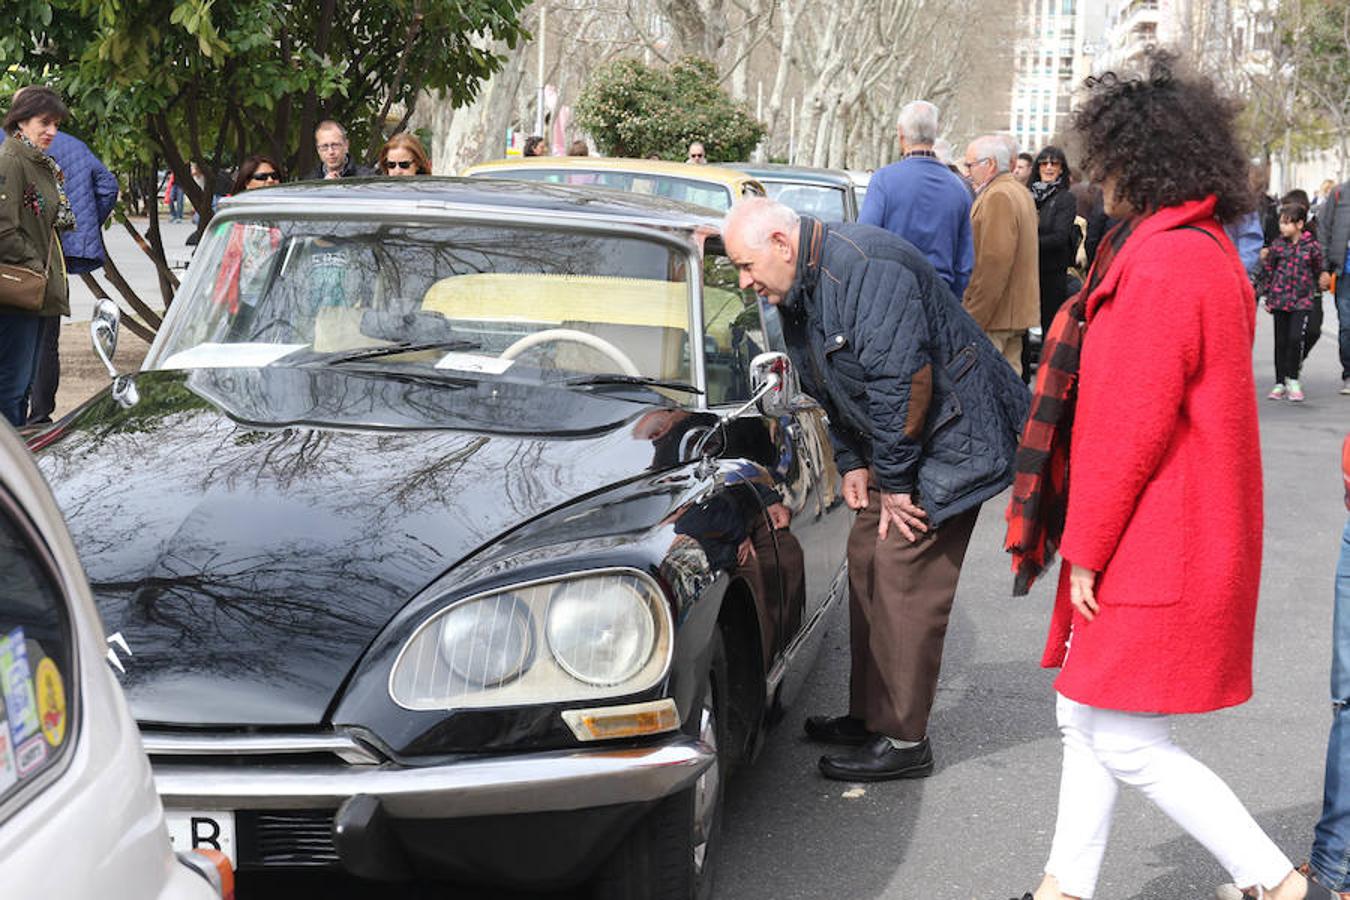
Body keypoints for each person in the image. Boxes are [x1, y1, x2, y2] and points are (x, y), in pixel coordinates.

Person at [1004, 50, 1328, 900]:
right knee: (1086, 714)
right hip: (1176, 527)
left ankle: (1279, 886)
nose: (1092, 179)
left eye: (1104, 163)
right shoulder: (1192, 248)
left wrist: (1084, 548)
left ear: (1138, 164)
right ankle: (1063, 888)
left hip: (1159, 536)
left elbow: (1126, 431)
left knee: (1125, 739)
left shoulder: (1163, 262)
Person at [721, 197, 1028, 782]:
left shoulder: (865, 266)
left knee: (901, 565)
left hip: (952, 437)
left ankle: (905, 739)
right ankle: (870, 715)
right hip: (904, 441)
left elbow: (902, 382)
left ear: (782, 245)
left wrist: (898, 485)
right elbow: (822, 380)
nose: (745, 281)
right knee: (865, 552)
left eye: (745, 265)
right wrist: (854, 462)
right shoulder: (800, 285)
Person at [16, 127, 117, 425]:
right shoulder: (73, 146)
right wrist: (77, 231)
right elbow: (108, 187)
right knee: (46, 341)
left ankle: (13, 420)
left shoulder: (7, 144)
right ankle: (40, 416)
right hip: (51, 258)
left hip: (10, 261)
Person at [0, 87, 74, 428]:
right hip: (18, 292)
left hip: (37, 292)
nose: (52, 132)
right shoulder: (12, 161)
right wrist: (34, 268)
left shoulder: (40, 164)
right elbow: (3, 231)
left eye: (56, 124)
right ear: (21, 121)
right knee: (11, 390)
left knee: (23, 387)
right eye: (44, 122)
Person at [858, 100, 974, 298]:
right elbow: (964, 263)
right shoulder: (958, 187)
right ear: (935, 133)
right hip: (940, 295)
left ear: (901, 135)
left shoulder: (884, 180)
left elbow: (863, 242)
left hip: (890, 294)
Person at [960, 134, 1040, 375]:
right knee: (1010, 385)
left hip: (996, 316)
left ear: (990, 164)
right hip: (1011, 314)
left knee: (989, 389)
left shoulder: (998, 196)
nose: (967, 172)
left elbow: (994, 263)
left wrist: (974, 317)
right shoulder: (1017, 191)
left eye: (971, 165)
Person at [1258, 200, 1323, 402]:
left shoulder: (1312, 246)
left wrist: (1313, 290)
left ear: (1300, 224)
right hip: (1279, 299)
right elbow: (1269, 271)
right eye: (1281, 222)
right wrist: (1268, 295)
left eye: (1287, 223)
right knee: (1281, 341)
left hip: (1301, 300)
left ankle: (1293, 379)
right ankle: (1279, 383)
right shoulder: (1277, 246)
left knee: (1295, 339)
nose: (1282, 227)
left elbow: (1317, 269)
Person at [1029, 146, 1079, 335]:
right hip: (1028, 271)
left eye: (1054, 163)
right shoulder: (1028, 195)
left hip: (1052, 273)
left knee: (1050, 326)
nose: (1049, 167)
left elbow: (1060, 236)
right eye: (1044, 163)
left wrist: (1028, 243)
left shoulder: (1065, 198)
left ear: (1061, 169)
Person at [1317, 177, 1350, 395]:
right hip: (1344, 272)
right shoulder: (1339, 194)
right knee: (1347, 325)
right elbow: (1324, 229)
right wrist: (1324, 267)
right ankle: (1349, 373)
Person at [306, 120, 376, 180]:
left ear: (346, 145)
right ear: (318, 150)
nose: (331, 152)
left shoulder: (366, 178)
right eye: (324, 147)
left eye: (335, 145)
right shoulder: (308, 183)